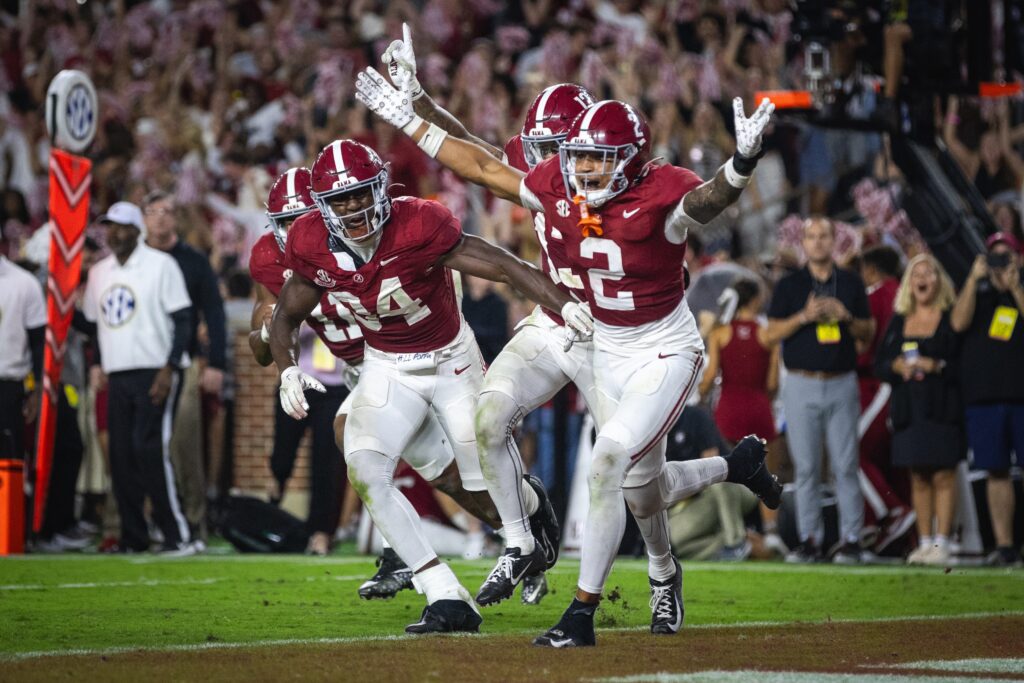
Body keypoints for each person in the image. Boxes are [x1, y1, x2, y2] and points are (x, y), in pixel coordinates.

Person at [356, 68, 783, 647]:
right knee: (595, 461)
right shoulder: (558, 179)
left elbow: (707, 201)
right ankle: (526, 544)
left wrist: (741, 163)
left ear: (628, 161)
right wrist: (414, 112)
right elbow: (480, 162)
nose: (576, 169)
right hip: (577, 326)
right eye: (573, 156)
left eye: (590, 158)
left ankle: (641, 579)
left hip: (656, 345)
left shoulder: (658, 191)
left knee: (632, 480)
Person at [268, 139, 591, 635]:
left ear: (381, 188)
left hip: (450, 362)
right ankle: (444, 595)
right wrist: (286, 367)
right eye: (340, 200)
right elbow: (285, 315)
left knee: (482, 481)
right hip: (388, 367)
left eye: (360, 194)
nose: (353, 207)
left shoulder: (418, 222)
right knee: (364, 463)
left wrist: (563, 304)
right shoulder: (309, 242)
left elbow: (503, 265)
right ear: (322, 208)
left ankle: (530, 512)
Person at [380, 30, 593, 609]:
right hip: (557, 312)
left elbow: (477, 168)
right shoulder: (547, 169)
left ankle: (663, 564)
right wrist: (419, 100)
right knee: (489, 415)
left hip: (614, 326)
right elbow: (475, 151)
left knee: (633, 472)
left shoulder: (611, 186)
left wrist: (411, 119)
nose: (544, 160)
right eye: (540, 147)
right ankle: (521, 540)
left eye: (557, 148)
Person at [249, 168, 360, 557]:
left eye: (302, 218)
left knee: (328, 461)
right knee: (283, 450)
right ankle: (275, 491)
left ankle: (322, 532)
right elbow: (262, 334)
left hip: (340, 374)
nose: (295, 230)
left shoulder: (349, 244)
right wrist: (269, 324)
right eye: (286, 222)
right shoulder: (267, 257)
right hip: (300, 371)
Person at [79, 201, 194, 555]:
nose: (114, 233)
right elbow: (94, 324)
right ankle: (134, 536)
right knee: (121, 455)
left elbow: (183, 319)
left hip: (153, 370)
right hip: (117, 372)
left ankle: (177, 534)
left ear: (137, 231)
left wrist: (170, 367)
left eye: (122, 226)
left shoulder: (161, 265)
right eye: (109, 226)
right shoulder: (99, 272)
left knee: (150, 451)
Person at [765, 217, 875, 564]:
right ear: (803, 242)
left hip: (841, 381)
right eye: (810, 237)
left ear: (834, 240)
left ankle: (852, 540)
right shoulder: (790, 285)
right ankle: (810, 540)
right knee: (807, 467)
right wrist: (804, 316)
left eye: (823, 236)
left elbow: (868, 332)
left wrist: (845, 316)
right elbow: (768, 334)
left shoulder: (852, 282)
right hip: (800, 382)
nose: (817, 242)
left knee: (846, 464)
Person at [143, 190, 227, 544]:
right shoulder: (134, 260)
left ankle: (194, 522)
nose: (161, 217)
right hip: (141, 361)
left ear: (176, 218)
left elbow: (214, 312)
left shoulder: (192, 260)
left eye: (168, 211)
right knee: (139, 445)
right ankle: (141, 523)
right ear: (144, 217)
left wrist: (216, 364)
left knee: (184, 443)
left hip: (185, 361)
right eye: (154, 211)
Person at [874, 254, 964, 565]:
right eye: (916, 273)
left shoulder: (951, 316)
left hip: (942, 406)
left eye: (929, 272)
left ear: (940, 281)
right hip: (909, 409)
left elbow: (963, 363)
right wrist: (897, 366)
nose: (923, 278)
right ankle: (925, 543)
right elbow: (880, 364)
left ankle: (943, 543)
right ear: (909, 283)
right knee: (919, 477)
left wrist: (935, 364)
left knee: (943, 476)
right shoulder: (899, 320)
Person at [951, 233, 1024, 566]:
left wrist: (1015, 286)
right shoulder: (975, 293)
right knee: (996, 472)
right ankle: (1005, 545)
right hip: (983, 397)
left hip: (1021, 396)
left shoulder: (1019, 292)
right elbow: (957, 322)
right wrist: (973, 277)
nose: (999, 264)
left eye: (1005, 257)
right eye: (993, 257)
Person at [698, 277, 783, 554]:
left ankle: (733, 532)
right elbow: (772, 385)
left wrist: (698, 396)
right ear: (756, 299)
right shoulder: (768, 334)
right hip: (759, 409)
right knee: (766, 474)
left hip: (729, 411)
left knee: (726, 473)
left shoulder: (720, 333)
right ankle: (770, 533)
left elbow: (710, 376)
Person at [856, 245, 914, 553]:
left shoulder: (878, 293)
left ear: (872, 269)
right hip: (903, 383)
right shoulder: (904, 292)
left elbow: (867, 344)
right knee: (893, 461)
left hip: (879, 384)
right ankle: (899, 531)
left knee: (851, 452)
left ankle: (893, 511)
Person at [0, 237, 45, 460]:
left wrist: (36, 388)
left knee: (8, 458)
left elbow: (38, 342)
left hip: (9, 387)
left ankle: (11, 497)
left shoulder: (24, 283)